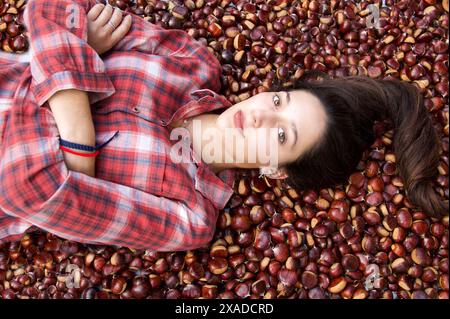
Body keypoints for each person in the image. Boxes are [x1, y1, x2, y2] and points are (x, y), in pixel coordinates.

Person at [0, 1, 446, 251]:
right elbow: (52, 7)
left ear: (277, 170)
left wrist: (75, 64)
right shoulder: (192, 63)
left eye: (280, 134)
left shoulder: (188, 219)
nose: (259, 114)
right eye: (278, 100)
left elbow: (23, 190)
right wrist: (78, 162)